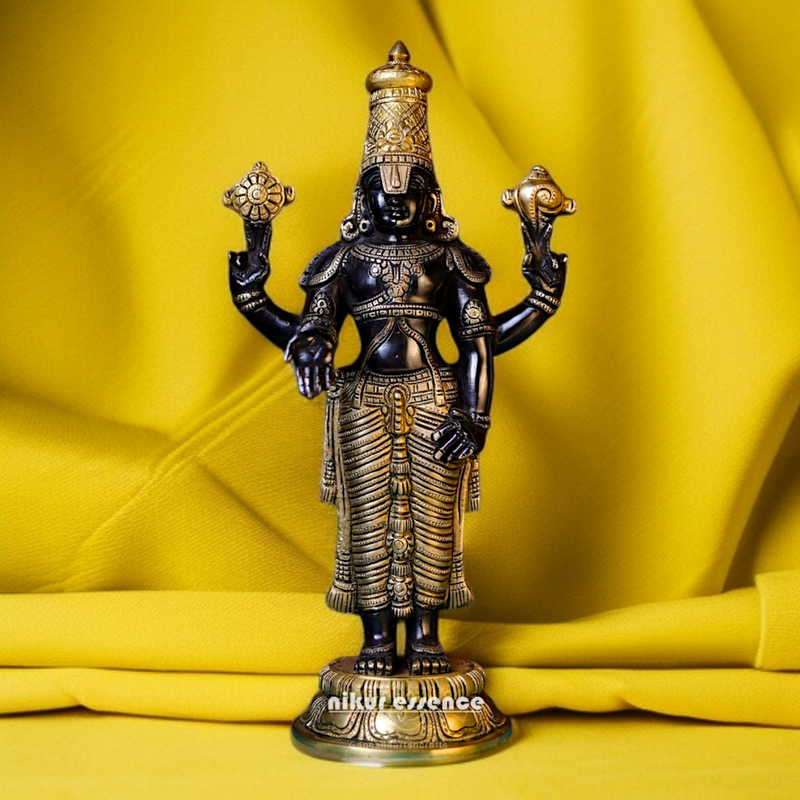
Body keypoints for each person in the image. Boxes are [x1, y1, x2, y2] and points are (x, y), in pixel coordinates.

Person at [227, 43, 569, 676]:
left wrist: (479, 411)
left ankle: (429, 637)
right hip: (361, 401)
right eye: (382, 190)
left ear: (429, 197)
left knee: (434, 517)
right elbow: (312, 327)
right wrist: (269, 309)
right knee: (367, 518)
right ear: (364, 196)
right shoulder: (342, 261)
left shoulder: (450, 259)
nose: (395, 202)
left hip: (438, 399)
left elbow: (480, 340)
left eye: (411, 190)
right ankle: (378, 639)